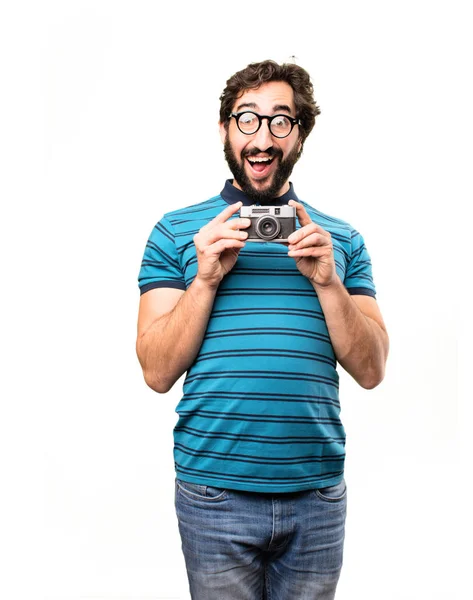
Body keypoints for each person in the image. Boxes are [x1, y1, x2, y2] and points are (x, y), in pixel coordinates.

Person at [136, 59, 389, 600]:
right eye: (247, 119)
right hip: (214, 493)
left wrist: (329, 284)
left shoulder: (340, 239)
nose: (263, 135)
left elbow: (372, 369)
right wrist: (204, 280)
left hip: (316, 497)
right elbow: (156, 371)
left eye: (281, 121)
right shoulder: (177, 231)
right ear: (225, 128)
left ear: (300, 135)